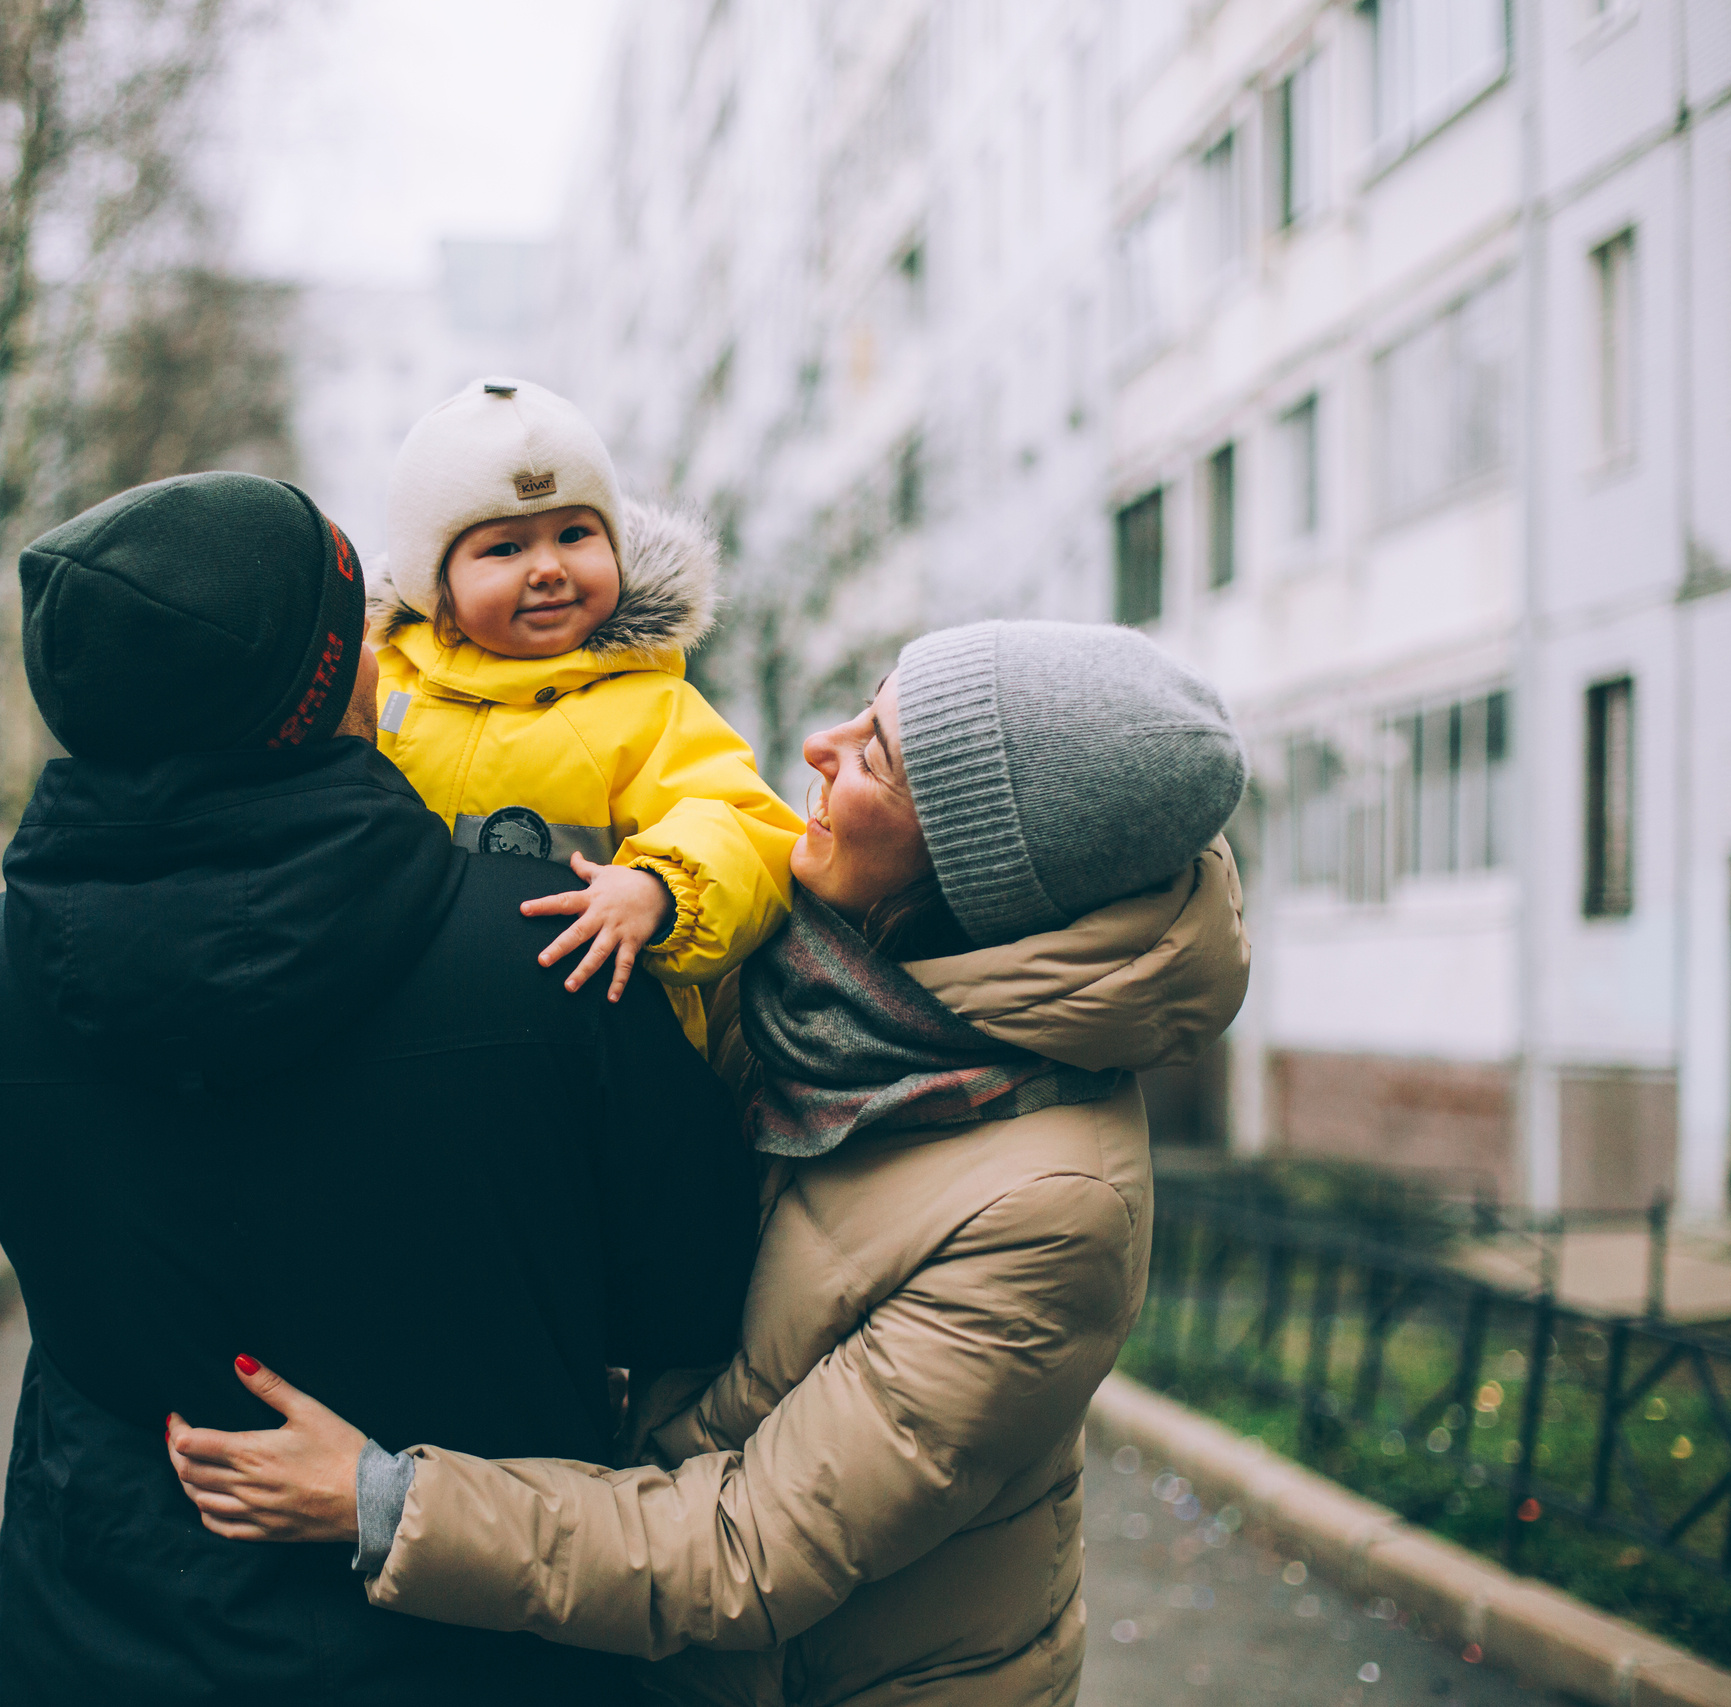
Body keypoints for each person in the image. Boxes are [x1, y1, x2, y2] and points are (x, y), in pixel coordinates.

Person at [165, 618, 1253, 1706]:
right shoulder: (798, 974)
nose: (822, 745)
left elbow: (747, 1550)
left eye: (877, 757)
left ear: (976, 878)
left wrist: (384, 1501)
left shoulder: (1050, 1209)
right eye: (864, 707)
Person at [0, 470, 759, 1706]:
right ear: (325, 686)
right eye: (353, 629)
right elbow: (692, 1301)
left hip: (106, 1629)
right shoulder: (549, 949)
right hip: (477, 1643)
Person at [369, 377, 802, 1048]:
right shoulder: (378, 682)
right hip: (398, 1036)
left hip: (593, 1045)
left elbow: (749, 829)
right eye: (505, 547)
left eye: (575, 534)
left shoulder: (646, 704)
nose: (548, 567)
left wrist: (659, 890)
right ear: (435, 581)